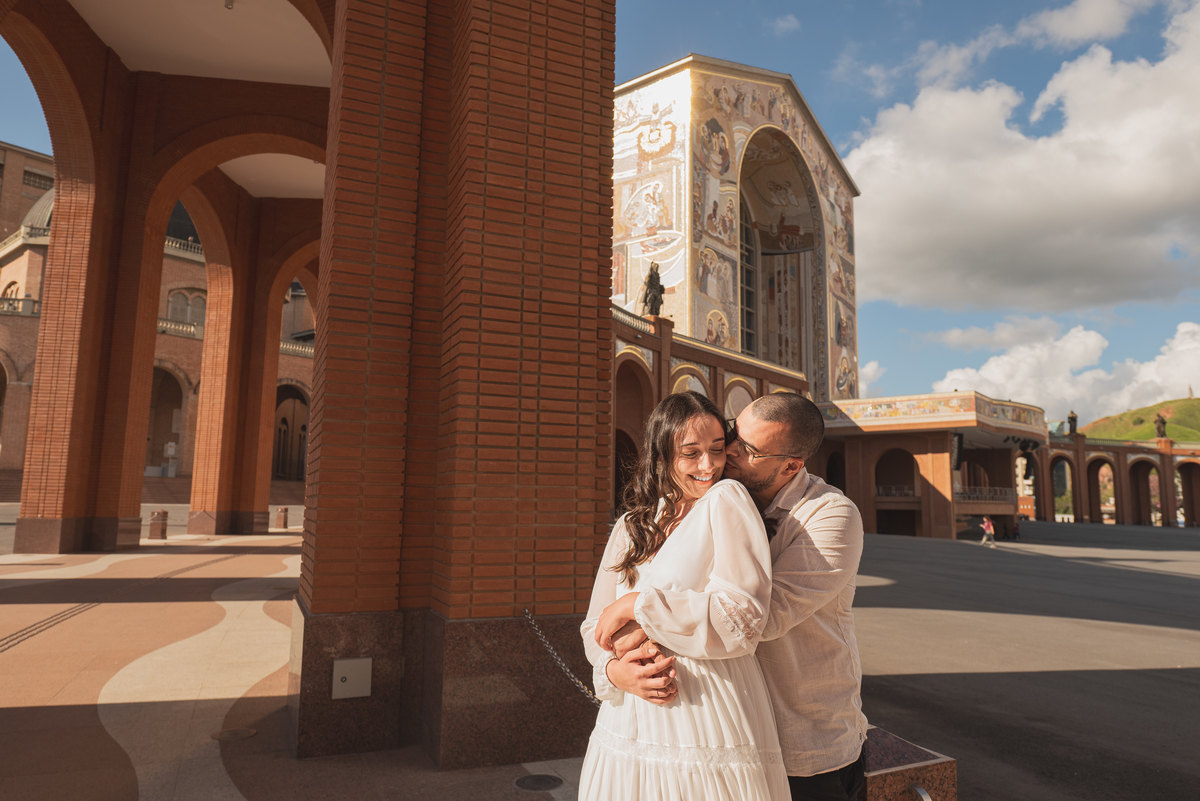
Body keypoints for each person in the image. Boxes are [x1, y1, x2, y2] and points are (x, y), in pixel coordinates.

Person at [613, 394, 870, 801]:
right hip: (714, 734)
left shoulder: (830, 517)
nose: (726, 452)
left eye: (746, 450)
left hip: (802, 746)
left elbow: (756, 619)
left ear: (790, 465)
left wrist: (638, 609)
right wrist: (614, 671)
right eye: (732, 434)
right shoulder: (690, 509)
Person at [578, 391, 788, 800]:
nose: (708, 465)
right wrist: (613, 672)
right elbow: (594, 624)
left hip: (706, 713)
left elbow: (743, 619)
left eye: (716, 450)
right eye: (690, 453)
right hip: (627, 718)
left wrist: (639, 605)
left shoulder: (726, 502)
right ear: (661, 455)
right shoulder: (631, 525)